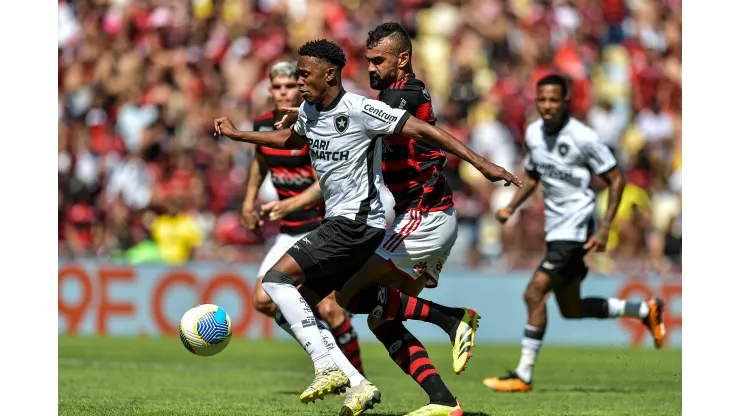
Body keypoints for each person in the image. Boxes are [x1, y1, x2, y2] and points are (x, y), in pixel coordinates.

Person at [214, 39, 518, 415]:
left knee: (277, 281)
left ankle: (335, 365)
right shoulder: (310, 110)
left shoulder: (361, 109)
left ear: (329, 74)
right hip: (346, 223)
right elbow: (291, 139)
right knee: (311, 308)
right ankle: (372, 385)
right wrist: (240, 135)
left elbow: (423, 131)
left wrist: (482, 163)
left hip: (357, 224)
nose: (299, 82)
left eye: (305, 75)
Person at [276, 23, 488, 416]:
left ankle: (453, 318)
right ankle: (444, 402)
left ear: (402, 59)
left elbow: (390, 123)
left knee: (344, 296)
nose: (371, 67)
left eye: (379, 60)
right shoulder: (386, 96)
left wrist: (481, 163)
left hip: (425, 215)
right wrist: (314, 115)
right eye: (368, 59)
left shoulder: (403, 94)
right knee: (380, 317)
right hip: (420, 216)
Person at [481, 74, 666, 393]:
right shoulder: (534, 134)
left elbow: (616, 179)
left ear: (566, 102)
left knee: (534, 293)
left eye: (554, 100)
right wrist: (512, 206)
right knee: (571, 308)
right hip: (555, 229)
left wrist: (605, 227)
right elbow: (535, 174)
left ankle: (523, 375)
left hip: (577, 229)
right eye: (542, 100)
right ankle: (643, 309)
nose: (548, 106)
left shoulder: (584, 137)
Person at [242, 60, 365, 375]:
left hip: (320, 228)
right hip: (288, 231)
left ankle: (356, 379)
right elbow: (260, 162)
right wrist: (248, 201)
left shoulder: (314, 124)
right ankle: (330, 360)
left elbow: (327, 181)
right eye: (278, 87)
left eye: (289, 86)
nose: (283, 92)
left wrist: (291, 203)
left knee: (329, 309)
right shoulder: (260, 127)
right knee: (263, 300)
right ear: (270, 91)